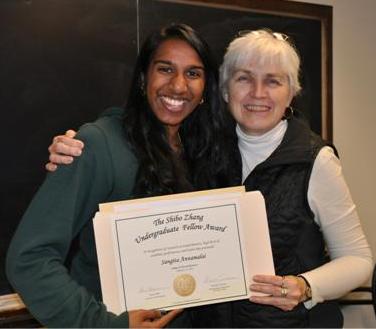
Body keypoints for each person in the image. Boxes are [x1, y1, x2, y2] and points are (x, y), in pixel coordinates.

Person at [44, 29, 373, 327]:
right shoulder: (200, 147)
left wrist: (305, 287)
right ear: (225, 89)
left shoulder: (316, 160)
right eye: (244, 78)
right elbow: (141, 126)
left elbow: (359, 260)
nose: (258, 93)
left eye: (273, 81)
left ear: (291, 93)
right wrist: (81, 142)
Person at [6, 23, 234, 328]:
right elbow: (29, 260)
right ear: (142, 78)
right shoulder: (98, 144)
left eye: (193, 73)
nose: (179, 86)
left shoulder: (202, 151)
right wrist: (106, 324)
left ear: (206, 87)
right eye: (165, 69)